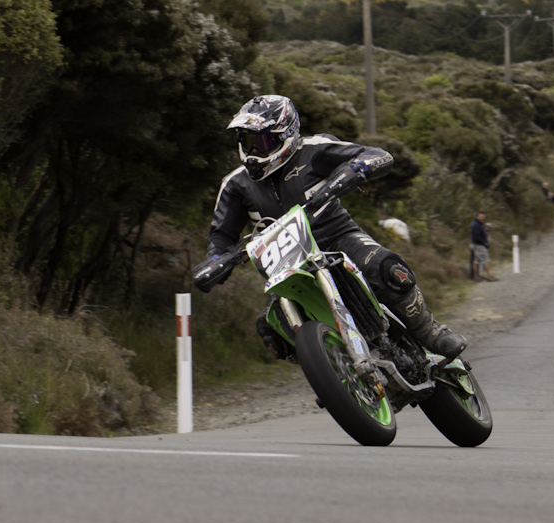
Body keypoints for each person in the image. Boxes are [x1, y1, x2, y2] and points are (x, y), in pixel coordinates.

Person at [194, 94, 467, 361]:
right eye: (247, 141)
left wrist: (354, 170)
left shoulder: (314, 149)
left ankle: (429, 330)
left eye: (262, 141)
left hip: (338, 238)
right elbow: (222, 234)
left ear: (286, 135)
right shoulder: (235, 184)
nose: (254, 151)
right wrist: (215, 261)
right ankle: (335, 369)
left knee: (385, 268)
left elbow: (376, 154)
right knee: (271, 328)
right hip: (286, 266)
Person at [469, 212, 497, 281]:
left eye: (483, 217)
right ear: (477, 216)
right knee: (486, 260)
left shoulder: (477, 224)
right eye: (481, 217)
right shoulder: (476, 225)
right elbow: (477, 236)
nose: (482, 218)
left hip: (476, 245)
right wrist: (484, 241)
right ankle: (489, 276)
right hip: (479, 245)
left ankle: (476, 277)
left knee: (476, 261)